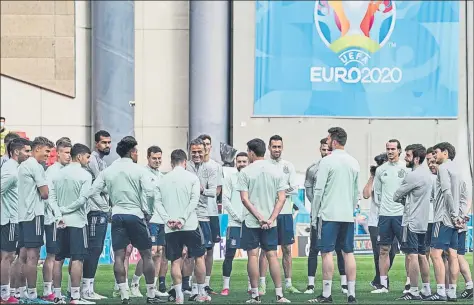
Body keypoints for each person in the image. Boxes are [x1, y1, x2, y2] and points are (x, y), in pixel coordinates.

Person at [86, 136, 161, 304]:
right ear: (132, 152)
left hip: (117, 215)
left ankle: (124, 294)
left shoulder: (109, 170)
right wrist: (149, 209)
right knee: (147, 254)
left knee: (119, 256)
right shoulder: (140, 170)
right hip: (135, 214)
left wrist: (106, 207)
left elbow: (93, 191)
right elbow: (149, 193)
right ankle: (150, 295)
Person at [308, 127, 359, 303]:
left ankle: (327, 294)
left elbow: (319, 191)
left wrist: (314, 214)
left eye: (329, 138)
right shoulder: (354, 162)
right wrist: (350, 210)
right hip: (346, 215)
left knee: (327, 252)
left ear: (334, 141)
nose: (327, 141)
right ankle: (351, 294)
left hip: (328, 215)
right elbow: (355, 192)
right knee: (348, 252)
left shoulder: (327, 162)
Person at [237, 138, 290, 303]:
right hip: (270, 222)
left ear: (251, 153)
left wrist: (259, 218)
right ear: (265, 151)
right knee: (272, 256)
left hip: (253, 222)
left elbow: (244, 199)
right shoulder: (276, 171)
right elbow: (282, 198)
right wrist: (270, 219)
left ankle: (255, 295)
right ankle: (280, 295)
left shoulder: (245, 172)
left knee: (252, 256)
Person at [155, 149, 209, 304]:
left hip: (170, 227)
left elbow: (157, 203)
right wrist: (183, 219)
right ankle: (201, 293)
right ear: (185, 162)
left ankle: (179, 296)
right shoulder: (192, 178)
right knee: (199, 257)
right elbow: (194, 201)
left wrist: (168, 220)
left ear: (171, 163)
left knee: (175, 261)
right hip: (190, 225)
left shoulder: (162, 179)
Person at [49, 143, 94, 305]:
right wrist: (67, 210)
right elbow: (83, 199)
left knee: (58, 258)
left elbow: (51, 198)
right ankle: (75, 297)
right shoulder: (85, 175)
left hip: (60, 222)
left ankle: (57, 295)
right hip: (77, 222)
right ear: (80, 156)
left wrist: (59, 213)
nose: (88, 160)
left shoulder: (58, 174)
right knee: (77, 258)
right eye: (87, 157)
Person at [304, 138, 347, 294]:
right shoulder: (312, 169)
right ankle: (310, 284)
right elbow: (309, 191)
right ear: (320, 150)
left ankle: (344, 283)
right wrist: (318, 205)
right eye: (324, 150)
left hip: (336, 214)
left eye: (329, 150)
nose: (326, 152)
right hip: (318, 214)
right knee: (315, 248)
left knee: (340, 248)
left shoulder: (339, 166)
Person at [258, 135, 300, 295]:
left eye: (279, 147)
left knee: (287, 249)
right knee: (266, 250)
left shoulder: (288, 166)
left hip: (285, 214)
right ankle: (262, 284)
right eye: (274, 146)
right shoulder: (263, 166)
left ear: (282, 148)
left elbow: (294, 188)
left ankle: (288, 283)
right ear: (269, 148)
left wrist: (279, 192)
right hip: (268, 214)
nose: (276, 149)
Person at [392, 144, 432, 300]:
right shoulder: (428, 174)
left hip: (411, 221)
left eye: (407, 155)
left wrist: (405, 199)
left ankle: (414, 291)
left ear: (416, 158)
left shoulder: (413, 175)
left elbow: (396, 196)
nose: (405, 157)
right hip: (423, 221)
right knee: (422, 255)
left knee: (412, 256)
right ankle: (427, 289)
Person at [17, 136, 54, 304]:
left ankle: (21, 292)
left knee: (22, 256)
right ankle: (32, 295)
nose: (48, 155)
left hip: (21, 215)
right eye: (47, 151)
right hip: (34, 215)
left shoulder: (21, 165)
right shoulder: (36, 166)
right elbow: (45, 193)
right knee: (33, 256)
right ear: (37, 148)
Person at [424, 142, 462, 302]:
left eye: (436, 152)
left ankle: (440, 292)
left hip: (443, 218)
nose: (433, 156)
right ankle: (452, 292)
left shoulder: (444, 169)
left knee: (435, 254)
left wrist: (453, 215)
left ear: (445, 153)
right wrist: (460, 216)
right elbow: (465, 192)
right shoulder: (458, 169)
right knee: (453, 255)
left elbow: (446, 192)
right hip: (455, 219)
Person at [372, 139, 409, 294]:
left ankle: (409, 284)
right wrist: (384, 208)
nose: (390, 151)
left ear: (399, 151)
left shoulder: (406, 169)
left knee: (408, 251)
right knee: (383, 250)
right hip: (385, 216)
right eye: (388, 148)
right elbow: (378, 194)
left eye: (393, 149)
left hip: (402, 216)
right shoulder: (381, 170)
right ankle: (383, 285)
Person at [130, 146, 168, 298]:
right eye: (154, 158)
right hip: (149, 218)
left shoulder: (162, 176)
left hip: (160, 218)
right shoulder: (143, 173)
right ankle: (135, 284)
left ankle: (153, 286)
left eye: (159, 158)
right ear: (148, 158)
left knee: (159, 253)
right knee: (149, 252)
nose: (157, 161)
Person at [185, 138, 218, 300]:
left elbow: (214, 192)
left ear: (205, 150)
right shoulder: (185, 166)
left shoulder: (211, 168)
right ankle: (187, 287)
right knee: (186, 254)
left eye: (199, 151)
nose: (197, 154)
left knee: (202, 253)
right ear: (189, 151)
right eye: (194, 151)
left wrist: (201, 190)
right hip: (187, 216)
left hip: (204, 216)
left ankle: (201, 287)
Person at [0, 138, 31, 304]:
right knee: (7, 257)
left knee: (6, 257)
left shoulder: (12, 168)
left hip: (11, 217)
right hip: (10, 219)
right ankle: (4, 295)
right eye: (26, 151)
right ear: (17, 152)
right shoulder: (11, 172)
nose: (28, 154)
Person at [82, 130, 111, 300]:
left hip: (101, 209)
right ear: (96, 144)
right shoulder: (92, 160)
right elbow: (99, 187)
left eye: (108, 142)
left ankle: (89, 288)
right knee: (93, 249)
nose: (107, 145)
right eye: (104, 142)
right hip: (94, 210)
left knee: (96, 249)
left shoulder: (102, 162)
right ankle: (86, 289)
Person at [42, 139, 72, 301]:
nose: (69, 156)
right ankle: (48, 291)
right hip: (54, 219)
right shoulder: (52, 171)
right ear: (58, 153)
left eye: (70, 152)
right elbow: (49, 197)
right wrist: (58, 215)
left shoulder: (72, 170)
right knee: (53, 255)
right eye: (66, 152)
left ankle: (66, 290)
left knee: (69, 256)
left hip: (69, 219)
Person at [363, 153, 398, 289]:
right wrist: (372, 176)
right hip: (375, 220)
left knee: (393, 250)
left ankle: (379, 279)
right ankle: (383, 282)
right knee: (379, 253)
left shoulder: (393, 178)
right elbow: (366, 194)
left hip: (392, 217)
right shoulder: (375, 177)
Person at [197, 134, 223, 294]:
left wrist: (204, 191)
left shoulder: (216, 166)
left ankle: (206, 283)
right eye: (203, 144)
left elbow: (218, 190)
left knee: (210, 248)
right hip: (197, 213)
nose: (206, 147)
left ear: (210, 147)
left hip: (212, 212)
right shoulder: (193, 166)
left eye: (208, 144)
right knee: (197, 249)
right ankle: (195, 283)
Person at [220, 152, 249, 296]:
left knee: (253, 255)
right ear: (236, 163)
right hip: (234, 223)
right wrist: (237, 216)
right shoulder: (231, 178)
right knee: (229, 255)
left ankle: (252, 286)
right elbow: (225, 199)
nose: (242, 164)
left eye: (244, 161)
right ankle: (226, 286)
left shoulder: (252, 178)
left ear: (248, 162)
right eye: (239, 161)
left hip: (250, 223)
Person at [457, 180, 473, 299]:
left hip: (456, 225)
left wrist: (462, 217)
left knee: (457, 256)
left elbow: (467, 201)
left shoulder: (458, 182)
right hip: (458, 223)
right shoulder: (462, 182)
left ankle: (469, 286)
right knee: (456, 256)